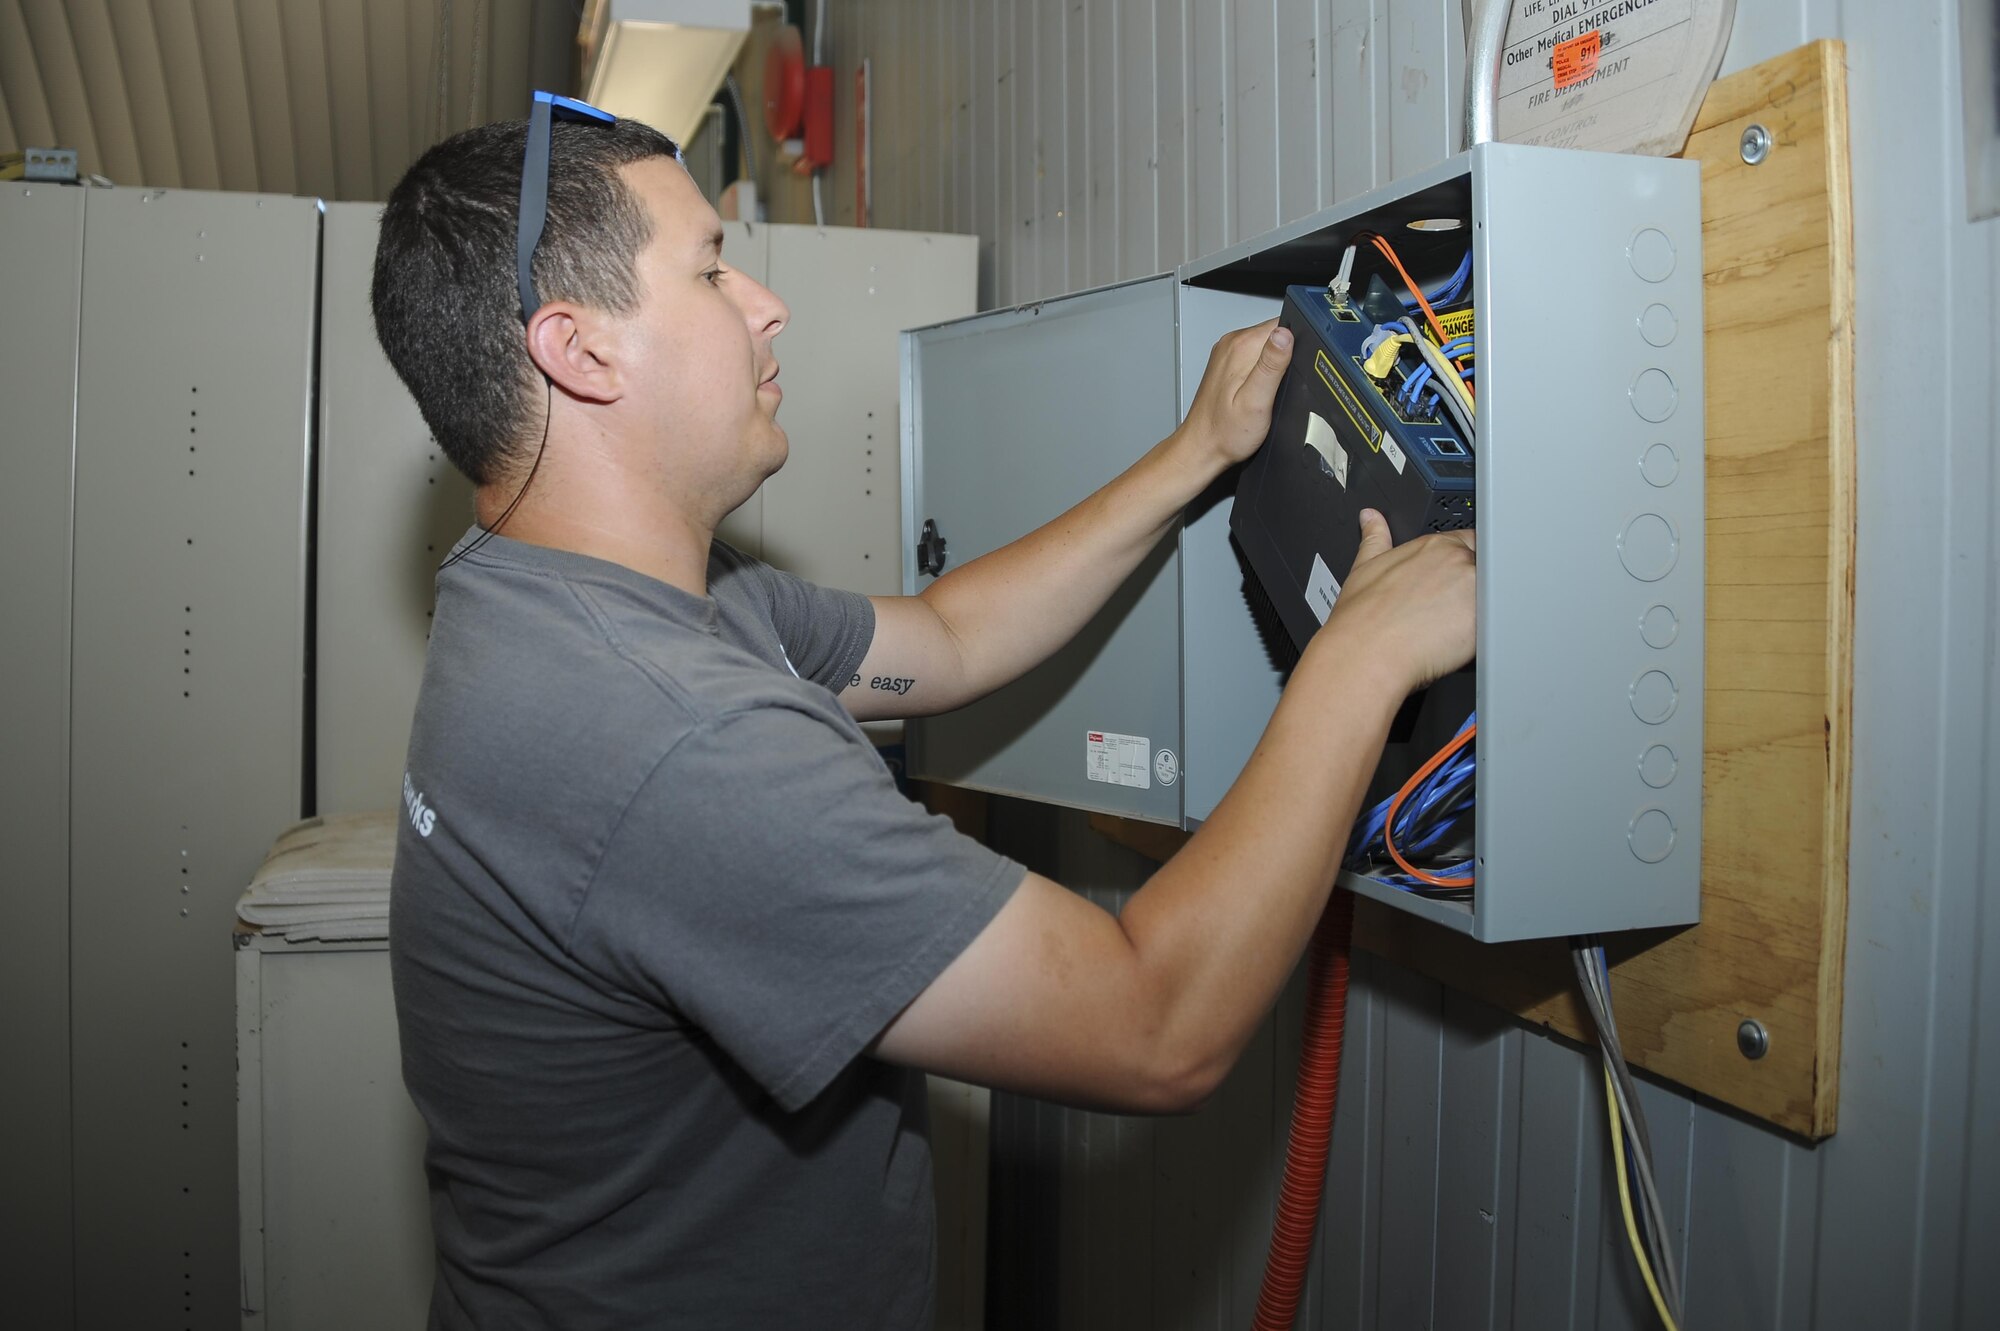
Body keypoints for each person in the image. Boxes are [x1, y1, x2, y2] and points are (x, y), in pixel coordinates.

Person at [371, 104, 1474, 1331]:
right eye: (709, 266)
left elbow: (945, 639)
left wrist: (1191, 455)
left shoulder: (571, 599)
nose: (765, 303)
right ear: (579, 351)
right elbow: (1156, 1023)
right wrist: (1359, 657)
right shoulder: (670, 736)